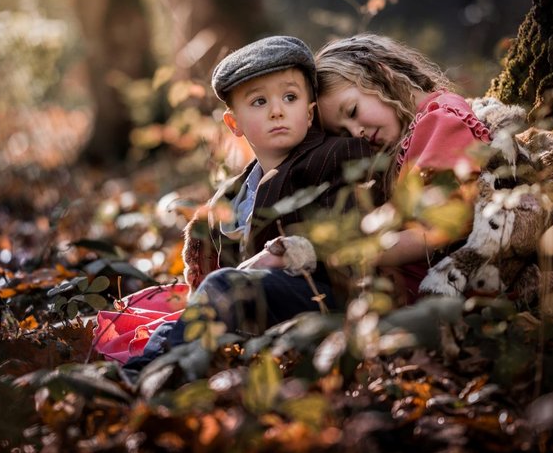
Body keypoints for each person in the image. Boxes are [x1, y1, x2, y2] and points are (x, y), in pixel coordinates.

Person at [113, 35, 382, 368]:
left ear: (310, 113)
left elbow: (356, 227)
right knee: (178, 315)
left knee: (228, 286)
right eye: (259, 102)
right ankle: (145, 368)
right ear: (234, 123)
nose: (277, 111)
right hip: (256, 321)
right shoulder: (229, 197)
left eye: (290, 97)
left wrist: (292, 251)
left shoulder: (336, 154)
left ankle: (159, 371)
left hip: (324, 301)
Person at [314, 33, 492, 302]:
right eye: (344, 133)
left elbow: (441, 226)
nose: (356, 133)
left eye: (351, 112)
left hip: (443, 296)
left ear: (380, 74)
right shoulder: (407, 138)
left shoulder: (439, 121)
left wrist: (356, 251)